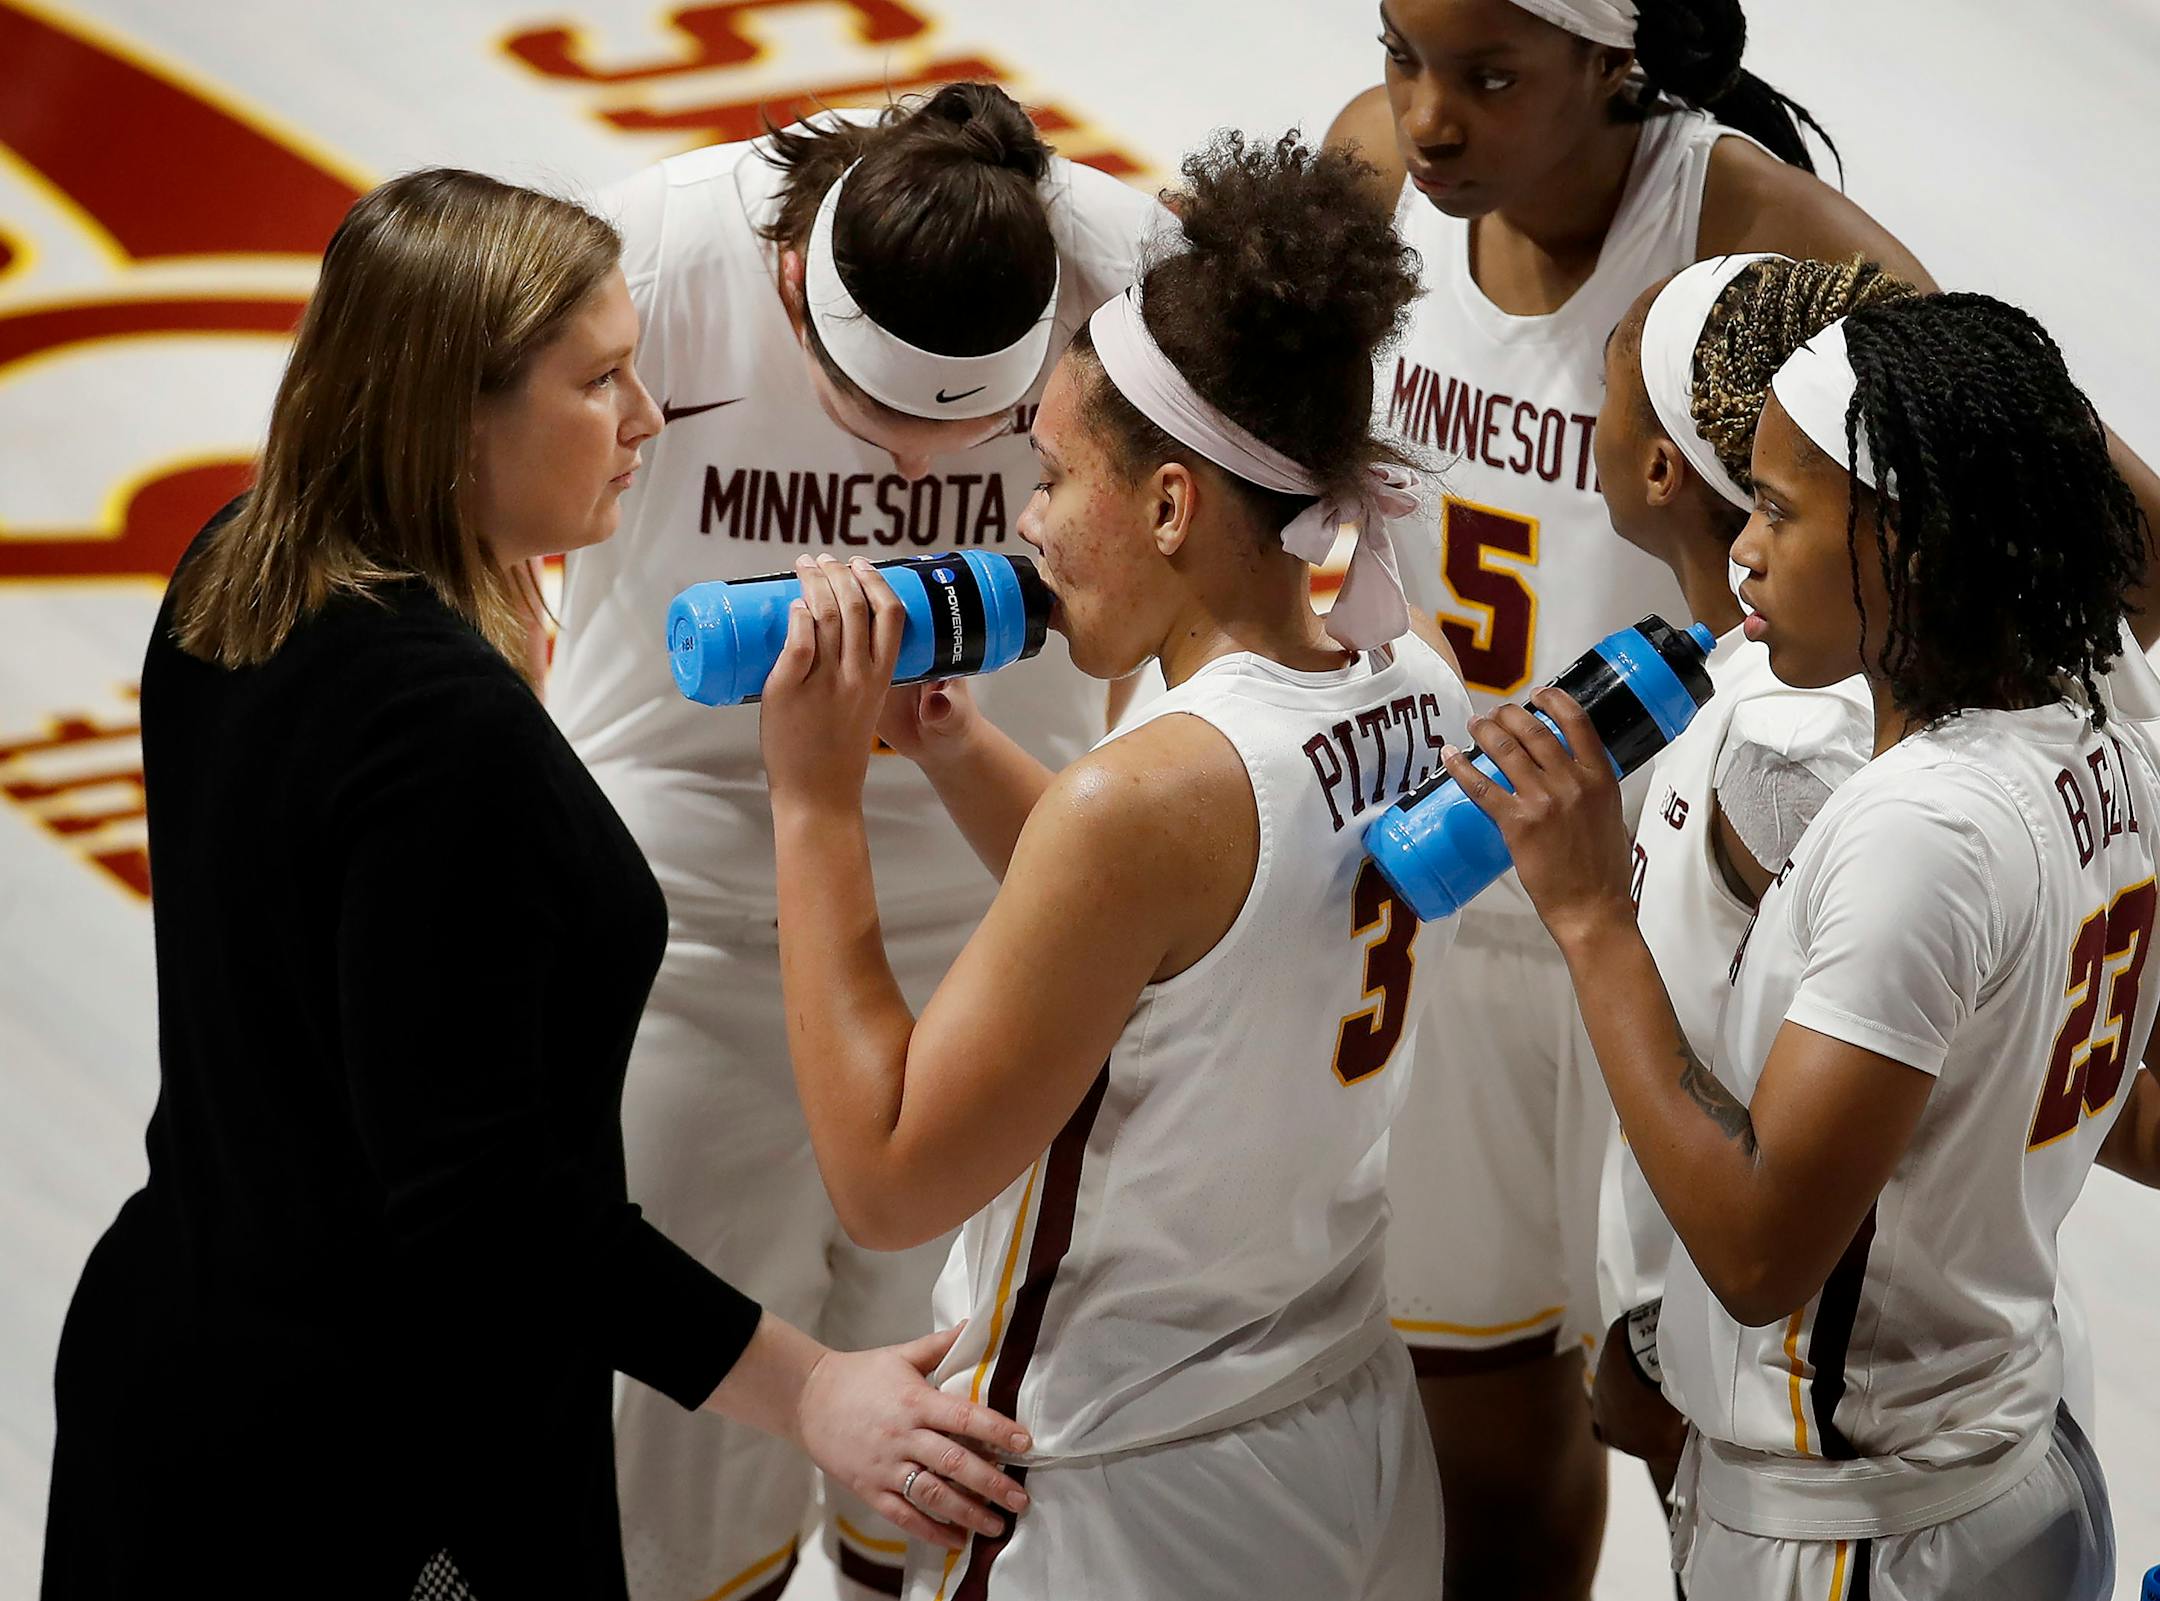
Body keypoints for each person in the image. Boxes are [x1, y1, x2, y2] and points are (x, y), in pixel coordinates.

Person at [39, 168, 1031, 1601]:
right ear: (455, 413)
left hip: (179, 1356)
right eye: (602, 380)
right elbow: (487, 1207)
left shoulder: (233, 571)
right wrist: (813, 1388)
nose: (647, 420)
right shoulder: (445, 737)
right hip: (368, 1473)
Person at [1324, 5, 2160, 1589]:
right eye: (1400, 55)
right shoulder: (2057, 750)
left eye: (1489, 75)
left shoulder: (1845, 783)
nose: (1430, 119)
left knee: (1683, 1383)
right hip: (1498, 916)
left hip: (1851, 1468)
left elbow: (1763, 1238)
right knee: (1564, 1418)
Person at [756, 132, 1470, 1599]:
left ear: (1168, 508)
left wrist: (814, 802)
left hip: (1126, 1492)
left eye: (1056, 473)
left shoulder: (1140, 799)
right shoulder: (1415, 674)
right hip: (1343, 1429)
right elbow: (1192, 934)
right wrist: (955, 745)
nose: (1022, 520)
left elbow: (887, 1179)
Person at [544, 84, 1166, 1601]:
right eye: (878, 416)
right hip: (682, 923)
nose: (905, 476)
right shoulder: (652, 258)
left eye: (962, 431)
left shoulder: (1141, 276)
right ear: (790, 296)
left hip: (1006, 914)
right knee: (685, 1470)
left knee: (961, 1451)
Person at [1457, 290, 2155, 1599]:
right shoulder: (2104, 722)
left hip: (1863, 1529)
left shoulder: (1919, 827)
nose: (1746, 555)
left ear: (1913, 538)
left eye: (1780, 510)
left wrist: (1591, 914)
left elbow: (1764, 1251)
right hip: (2011, 1450)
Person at [1584, 252, 1905, 1501]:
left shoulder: (1791, 735)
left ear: (1662, 462)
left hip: (1818, 1414)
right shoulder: (1750, 676)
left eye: (1607, 381)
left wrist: (1668, 1345)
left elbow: (1866, 1097)